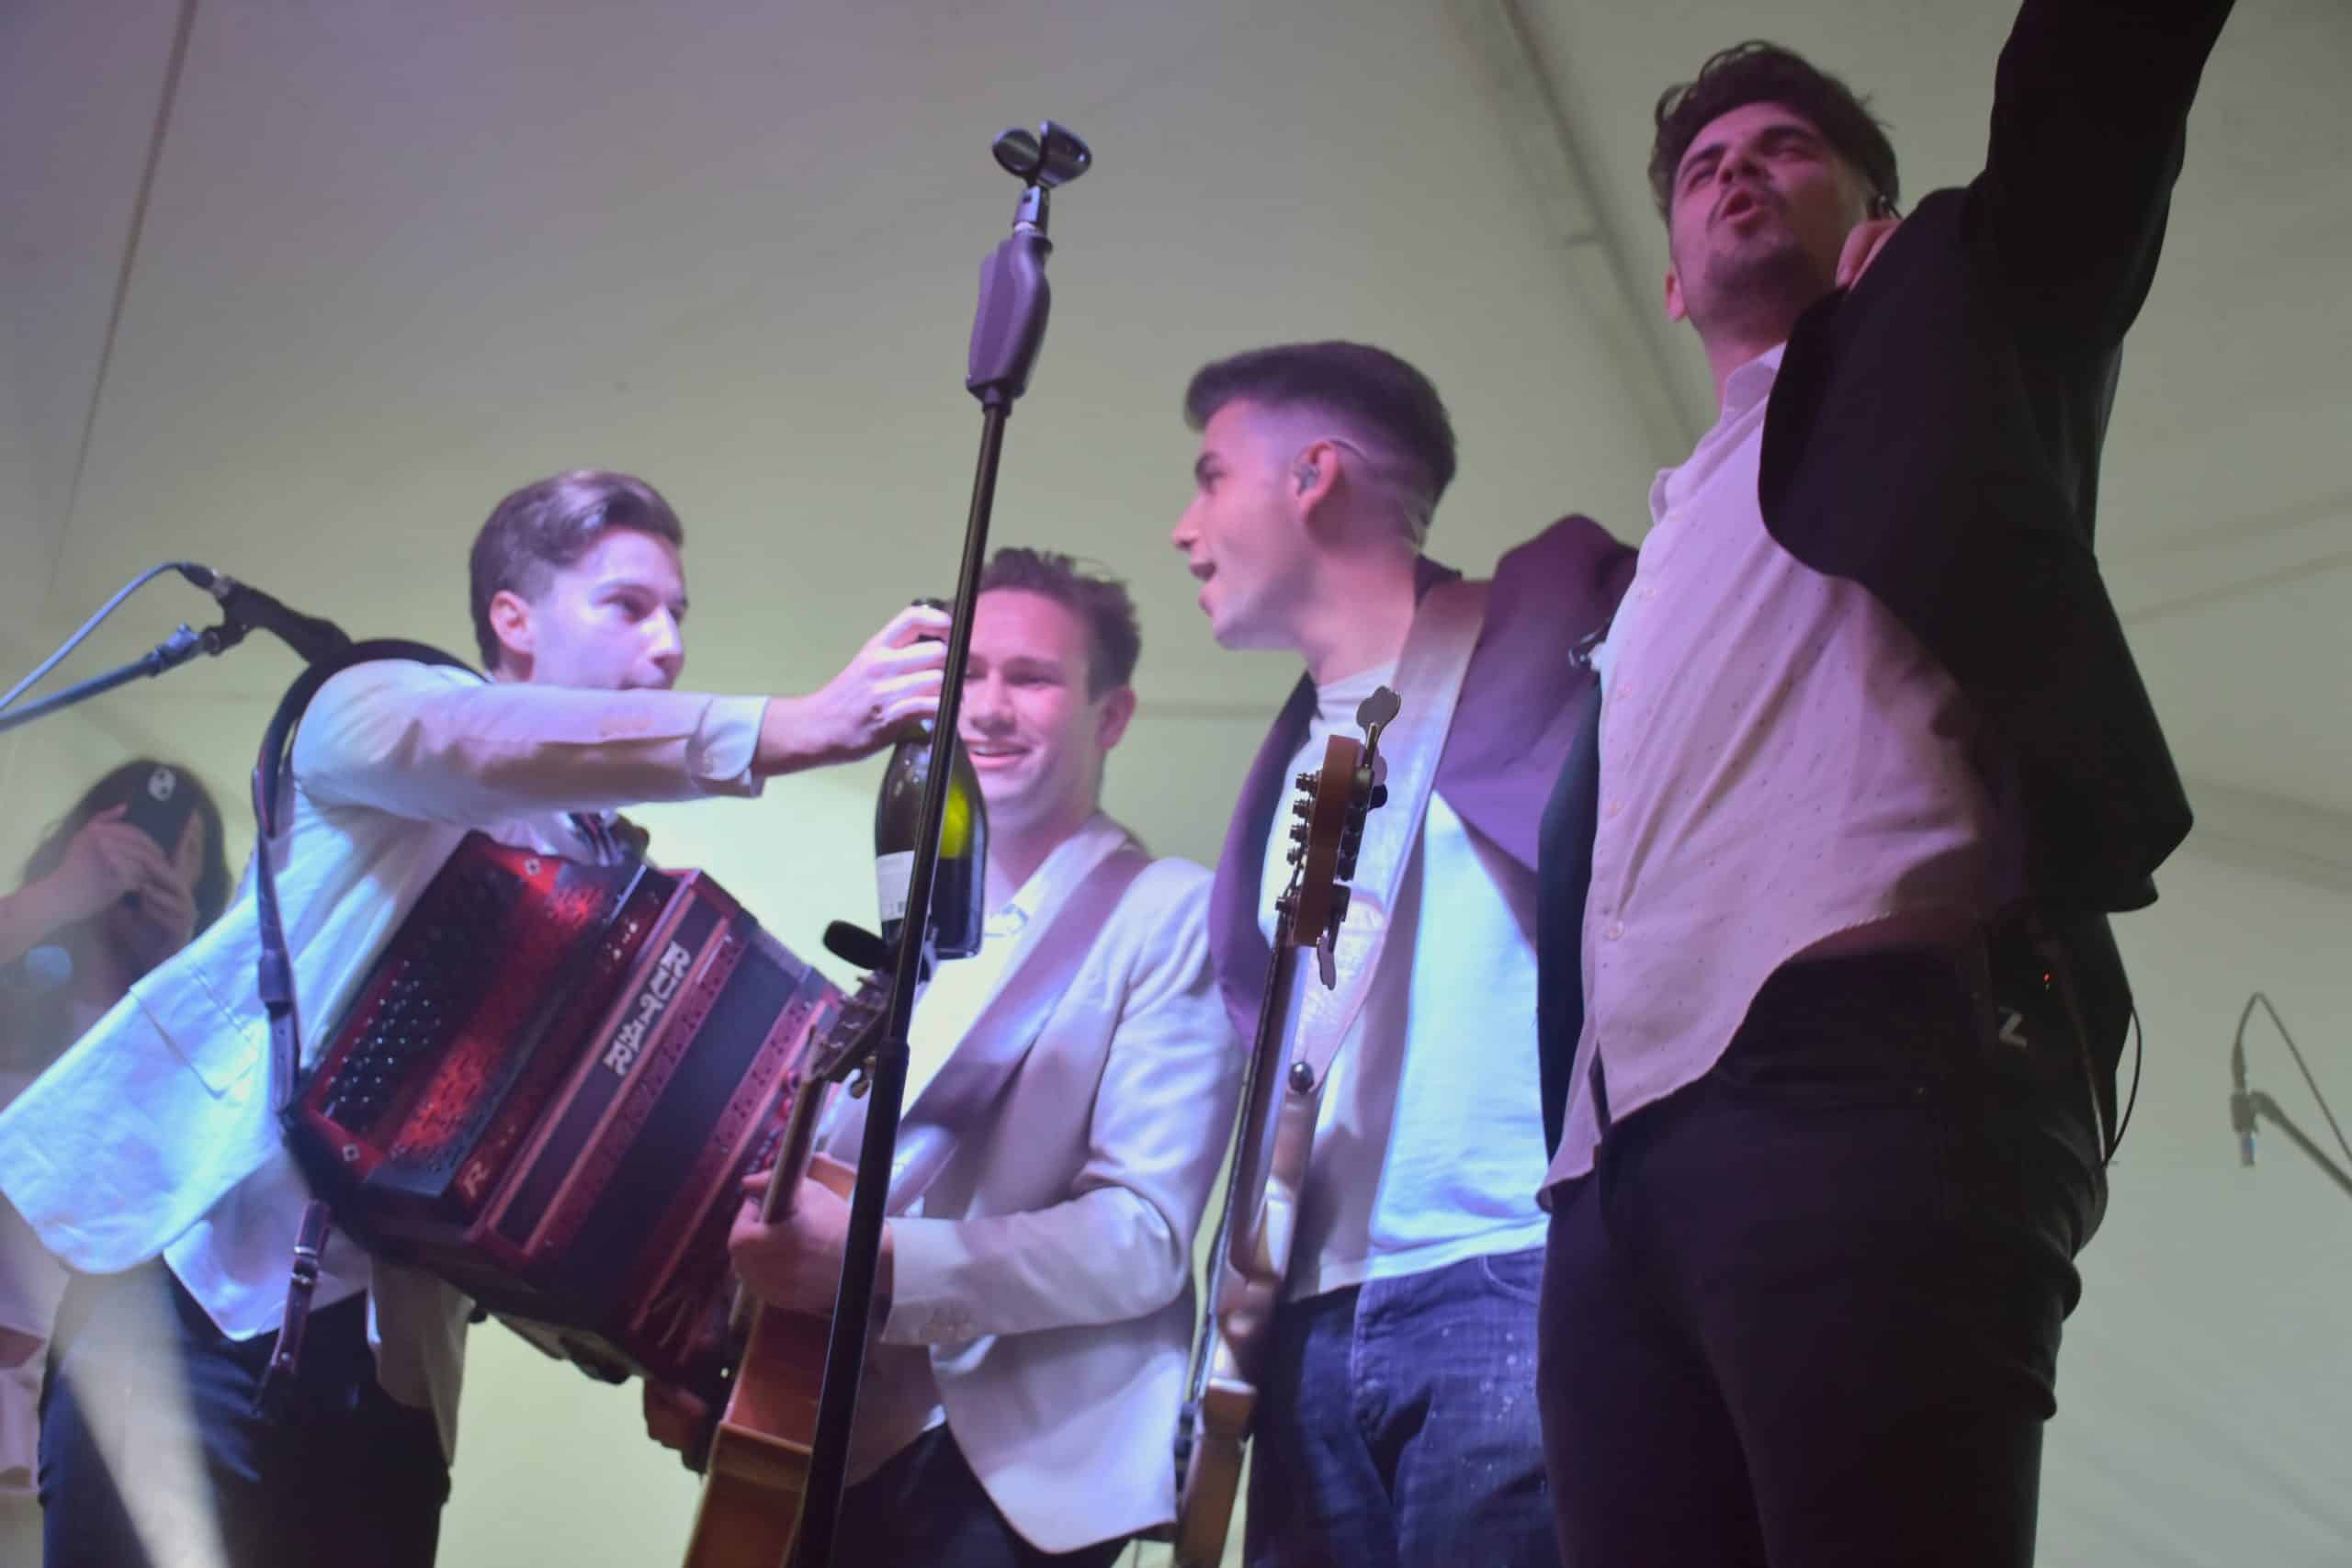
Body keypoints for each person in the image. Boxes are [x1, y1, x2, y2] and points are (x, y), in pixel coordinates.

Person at [1533, 6, 2236, 1565]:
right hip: (1610, 1177)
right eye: (1706, 166)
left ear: (1879, 212)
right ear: (1670, 281)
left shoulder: (1954, 345)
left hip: (1861, 1082)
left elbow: (2088, 115)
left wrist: (1944, 274)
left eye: (1788, 149)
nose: (1739, 173)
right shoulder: (1656, 553)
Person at [0, 469, 949, 1568]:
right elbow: (477, 742)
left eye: (678, 615)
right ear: (513, 618)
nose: (668, 644)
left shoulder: (613, 887)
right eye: (628, 604)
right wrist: (793, 727)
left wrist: (681, 1332)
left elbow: (546, 1196)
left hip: (389, 1396)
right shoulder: (372, 706)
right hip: (190, 1320)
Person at [658, 547, 1238, 1565]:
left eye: (1033, 678)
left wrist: (876, 1260)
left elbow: (1141, 1238)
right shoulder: (908, 927)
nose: (989, 709)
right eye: (966, 676)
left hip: (1017, 1471)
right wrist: (713, 1340)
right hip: (821, 1435)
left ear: (1111, 716)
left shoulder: (1170, 912)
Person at [1170, 340, 1631, 1567]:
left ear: (1313, 476)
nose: (1183, 527)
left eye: (1211, 478)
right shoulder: (1291, 753)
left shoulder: (1552, 643)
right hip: (1307, 1314)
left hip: (1507, 1271)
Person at [0, 761, 231, 1555]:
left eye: (184, 847)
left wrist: (182, 964)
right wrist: (62, 893)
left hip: (77, 1414)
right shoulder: (18, 979)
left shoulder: (196, 1031)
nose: (153, 855)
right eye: (136, 825)